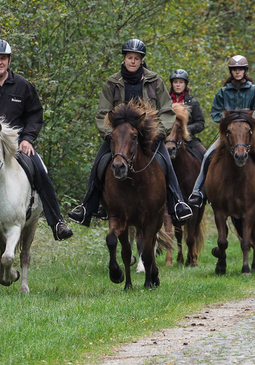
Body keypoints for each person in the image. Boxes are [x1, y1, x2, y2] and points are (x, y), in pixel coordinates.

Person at [0, 39, 73, 250]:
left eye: (3, 59)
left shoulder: (23, 85)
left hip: (17, 145)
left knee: (40, 171)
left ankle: (57, 223)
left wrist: (28, 138)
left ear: (9, 60)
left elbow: (35, 114)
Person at [68, 39, 193, 226]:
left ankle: (177, 203)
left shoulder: (155, 81)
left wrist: (160, 132)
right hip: (119, 137)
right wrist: (109, 133)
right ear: (124, 58)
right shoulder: (112, 82)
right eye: (129, 57)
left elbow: (167, 111)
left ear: (142, 60)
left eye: (136, 58)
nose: (132, 61)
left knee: (166, 163)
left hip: (149, 136)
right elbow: (103, 113)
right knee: (100, 163)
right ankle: (88, 206)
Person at [187, 55, 255, 214]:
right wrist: (227, 122)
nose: (238, 72)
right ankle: (198, 192)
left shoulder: (254, 90)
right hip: (229, 135)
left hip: (251, 134)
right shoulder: (224, 92)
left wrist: (249, 121)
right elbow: (215, 112)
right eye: (235, 69)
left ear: (245, 71)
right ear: (231, 72)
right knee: (207, 156)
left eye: (240, 69)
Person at [169, 69, 207, 156]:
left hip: (188, 139)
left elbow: (201, 123)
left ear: (185, 84)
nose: (178, 85)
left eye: (181, 82)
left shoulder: (193, 103)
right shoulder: (165, 102)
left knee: (206, 156)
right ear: (172, 84)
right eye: (175, 82)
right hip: (168, 139)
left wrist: (186, 129)